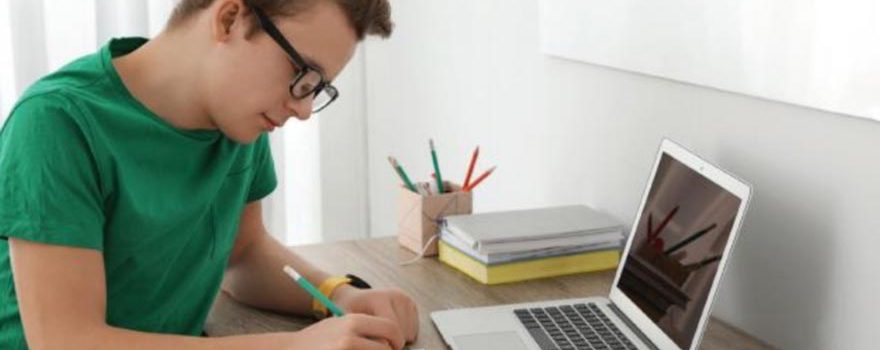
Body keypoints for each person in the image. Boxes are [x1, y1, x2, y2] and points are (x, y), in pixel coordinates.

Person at [0, 0, 418, 349]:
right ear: (230, 18)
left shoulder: (238, 119)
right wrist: (294, 346)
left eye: (317, 88)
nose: (304, 109)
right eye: (301, 76)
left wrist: (339, 295)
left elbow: (245, 255)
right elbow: (67, 341)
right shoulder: (57, 123)